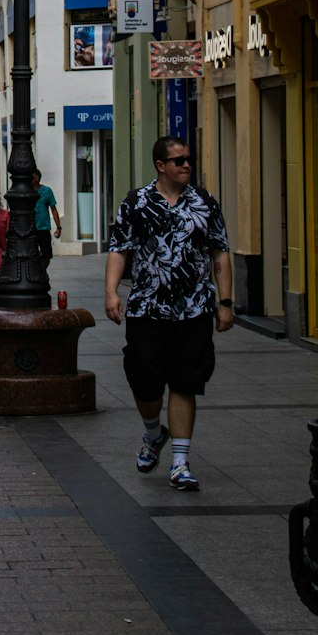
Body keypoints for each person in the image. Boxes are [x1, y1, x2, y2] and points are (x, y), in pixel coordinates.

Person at [105, 136, 233, 493]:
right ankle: (153, 433)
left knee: (185, 381)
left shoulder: (204, 202)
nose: (186, 165)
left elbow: (219, 252)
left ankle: (180, 462)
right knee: (143, 380)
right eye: (178, 161)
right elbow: (120, 249)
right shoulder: (136, 202)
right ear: (161, 166)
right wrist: (111, 291)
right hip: (147, 307)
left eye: (188, 159)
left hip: (193, 308)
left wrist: (225, 302)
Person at [32, 169, 61, 265]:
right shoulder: (26, 191)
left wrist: (58, 227)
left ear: (36, 178)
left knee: (46, 254)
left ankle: (42, 272)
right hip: (30, 228)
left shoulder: (47, 191)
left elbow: (53, 209)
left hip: (43, 228)